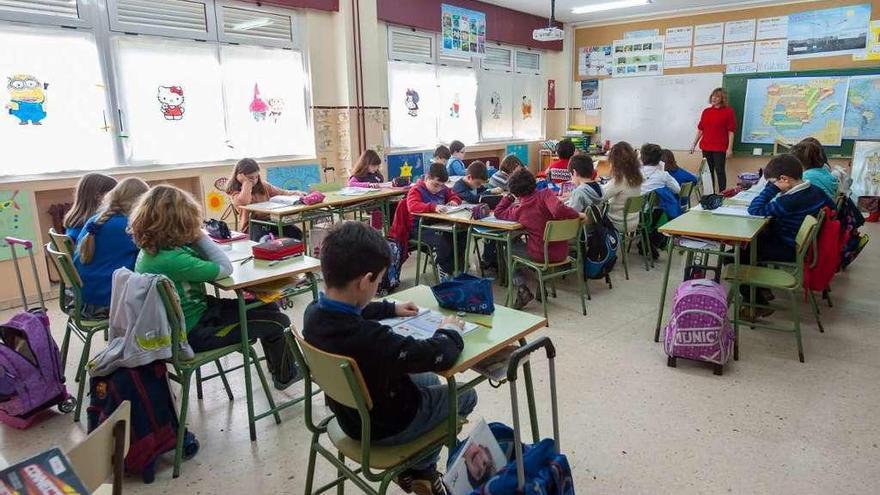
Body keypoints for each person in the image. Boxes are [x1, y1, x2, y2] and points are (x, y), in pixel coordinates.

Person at [303, 221, 476, 495]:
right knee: (465, 394)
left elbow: (352, 310)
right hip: (387, 425)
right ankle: (423, 470)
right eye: (379, 280)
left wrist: (390, 307)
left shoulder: (313, 314)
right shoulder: (371, 340)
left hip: (349, 414)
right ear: (365, 282)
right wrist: (451, 330)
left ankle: (416, 469)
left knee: (429, 380)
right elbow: (439, 354)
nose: (379, 286)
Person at [131, 185, 298, 389]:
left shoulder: (153, 250)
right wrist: (199, 235)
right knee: (279, 321)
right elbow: (224, 268)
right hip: (193, 333)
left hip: (191, 317)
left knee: (266, 306)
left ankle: (281, 369)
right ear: (180, 224)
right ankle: (286, 376)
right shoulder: (174, 259)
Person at [743, 154, 835, 314]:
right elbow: (832, 207)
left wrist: (770, 190)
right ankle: (762, 289)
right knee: (756, 241)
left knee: (737, 254)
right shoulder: (816, 191)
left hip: (789, 247)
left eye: (771, 183)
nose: (770, 186)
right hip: (802, 245)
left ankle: (756, 304)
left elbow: (755, 210)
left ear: (784, 179)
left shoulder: (790, 201)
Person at [495, 168, 580, 308]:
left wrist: (509, 197)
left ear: (516, 192)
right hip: (562, 252)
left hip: (541, 255)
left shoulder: (519, 210)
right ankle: (541, 287)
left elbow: (498, 213)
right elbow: (559, 210)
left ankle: (522, 289)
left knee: (508, 247)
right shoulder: (546, 194)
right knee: (534, 243)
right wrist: (576, 215)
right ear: (533, 183)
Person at [73, 178, 150, 317]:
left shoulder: (95, 220)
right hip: (107, 302)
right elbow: (155, 249)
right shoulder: (127, 226)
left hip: (87, 296)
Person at [389, 162, 463, 281]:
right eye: (435, 185)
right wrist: (433, 207)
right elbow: (412, 206)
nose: (438, 189)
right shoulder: (416, 190)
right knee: (444, 240)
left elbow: (454, 196)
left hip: (438, 225)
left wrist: (454, 201)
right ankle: (444, 269)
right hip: (418, 229)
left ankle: (456, 269)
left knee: (459, 235)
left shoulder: (443, 189)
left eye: (441, 186)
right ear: (427, 178)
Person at [226, 158, 305, 242]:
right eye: (250, 178)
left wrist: (298, 193)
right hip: (252, 224)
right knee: (262, 239)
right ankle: (267, 251)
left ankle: (288, 253)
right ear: (240, 176)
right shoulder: (234, 191)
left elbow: (282, 192)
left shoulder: (263, 185)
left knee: (296, 233)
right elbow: (244, 201)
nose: (254, 180)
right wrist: (246, 183)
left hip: (270, 220)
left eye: (256, 177)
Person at [691, 87, 736, 192]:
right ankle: (710, 193)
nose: (714, 98)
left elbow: (731, 132)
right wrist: (693, 144)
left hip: (720, 147)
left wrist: (729, 149)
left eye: (717, 96)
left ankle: (722, 193)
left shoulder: (728, 111)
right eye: (713, 96)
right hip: (706, 146)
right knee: (708, 171)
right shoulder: (706, 111)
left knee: (720, 170)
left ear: (723, 99)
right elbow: (701, 130)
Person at [601, 142, 644, 233]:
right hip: (633, 220)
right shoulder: (637, 175)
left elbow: (600, 196)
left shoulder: (620, 180)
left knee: (591, 220)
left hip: (617, 222)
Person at [63, 173, 118, 241]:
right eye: (114, 194)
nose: (118, 197)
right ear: (98, 196)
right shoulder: (97, 222)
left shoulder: (74, 219)